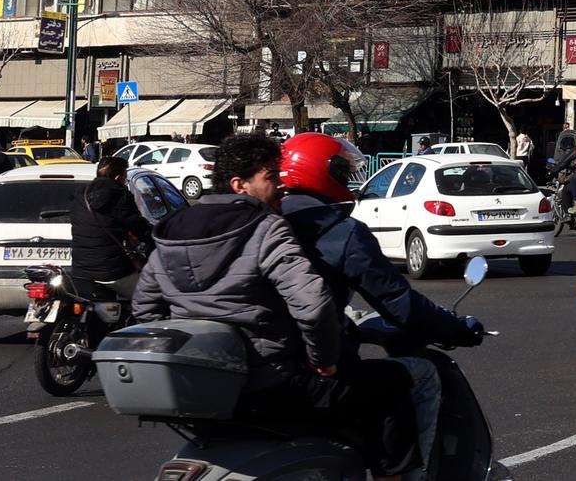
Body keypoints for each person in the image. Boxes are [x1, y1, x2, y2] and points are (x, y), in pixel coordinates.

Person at [133, 133, 423, 481]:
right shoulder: (266, 228)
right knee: (393, 383)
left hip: (202, 390)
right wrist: (324, 361)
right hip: (270, 384)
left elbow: (145, 308)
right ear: (240, 184)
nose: (281, 187)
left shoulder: (172, 231)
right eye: (271, 177)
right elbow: (313, 304)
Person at [276, 133, 484, 476]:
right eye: (341, 171)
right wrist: (456, 328)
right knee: (421, 376)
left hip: (260, 369)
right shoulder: (340, 231)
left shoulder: (264, 223)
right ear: (318, 171)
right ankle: (407, 475)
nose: (347, 179)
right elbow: (398, 302)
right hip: (314, 370)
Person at [69, 153, 151, 299]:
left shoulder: (80, 195)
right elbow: (138, 227)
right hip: (111, 271)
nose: (125, 181)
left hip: (80, 270)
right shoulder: (120, 196)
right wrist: (154, 237)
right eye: (125, 177)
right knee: (150, 295)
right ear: (117, 178)